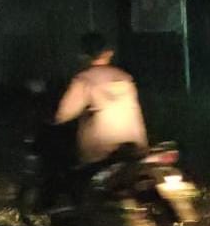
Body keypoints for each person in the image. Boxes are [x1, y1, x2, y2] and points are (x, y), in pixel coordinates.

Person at [55, 31, 148, 165]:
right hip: (136, 148)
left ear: (83, 56)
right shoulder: (125, 78)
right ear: (109, 53)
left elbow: (63, 115)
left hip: (100, 154)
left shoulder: (84, 80)